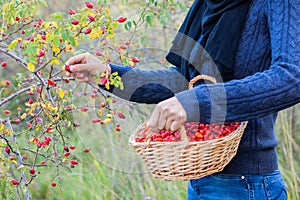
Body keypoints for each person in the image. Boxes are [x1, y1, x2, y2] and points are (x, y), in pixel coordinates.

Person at [64, 0, 299, 199]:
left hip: (247, 184)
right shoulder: (210, 5)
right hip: (200, 179)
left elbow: (291, 77)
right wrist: (108, 74)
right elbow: (184, 81)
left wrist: (196, 102)